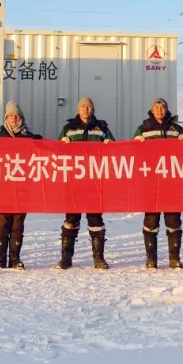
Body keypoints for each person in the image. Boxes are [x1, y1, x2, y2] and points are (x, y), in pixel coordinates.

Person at [56, 97, 115, 270]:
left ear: (93, 109)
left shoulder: (102, 128)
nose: (85, 109)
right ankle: (66, 257)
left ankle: (98, 258)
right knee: (71, 220)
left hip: (95, 182)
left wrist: (110, 145)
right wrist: (61, 144)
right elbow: (57, 152)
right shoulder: (68, 129)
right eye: (82, 106)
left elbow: (114, 151)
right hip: (74, 182)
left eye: (89, 106)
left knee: (95, 220)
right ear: (78, 109)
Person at [133, 97, 183, 269]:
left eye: (162, 107)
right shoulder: (143, 129)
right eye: (156, 107)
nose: (159, 110)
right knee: (151, 220)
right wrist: (136, 143)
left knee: (173, 220)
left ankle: (174, 258)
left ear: (166, 109)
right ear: (151, 109)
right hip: (151, 182)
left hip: (172, 182)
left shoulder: (176, 129)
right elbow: (133, 152)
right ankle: (151, 258)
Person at [0, 101, 42, 269]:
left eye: (16, 115)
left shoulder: (30, 138)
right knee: (3, 223)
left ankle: (15, 258)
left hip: (22, 188)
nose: (13, 118)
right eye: (10, 115)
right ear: (6, 118)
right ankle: (0, 258)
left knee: (18, 224)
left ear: (21, 118)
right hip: (2, 188)